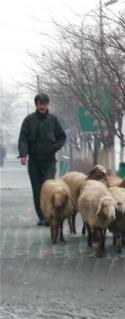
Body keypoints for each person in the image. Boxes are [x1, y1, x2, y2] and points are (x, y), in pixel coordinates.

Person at [18, 93, 66, 226]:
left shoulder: (53, 120)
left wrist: (54, 147)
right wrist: (23, 154)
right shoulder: (29, 120)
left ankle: (50, 214)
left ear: (47, 105)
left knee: (49, 187)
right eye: (40, 104)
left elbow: (62, 137)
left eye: (44, 104)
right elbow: (23, 139)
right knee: (37, 189)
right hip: (34, 161)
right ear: (36, 105)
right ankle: (42, 216)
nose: (42, 106)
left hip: (50, 160)